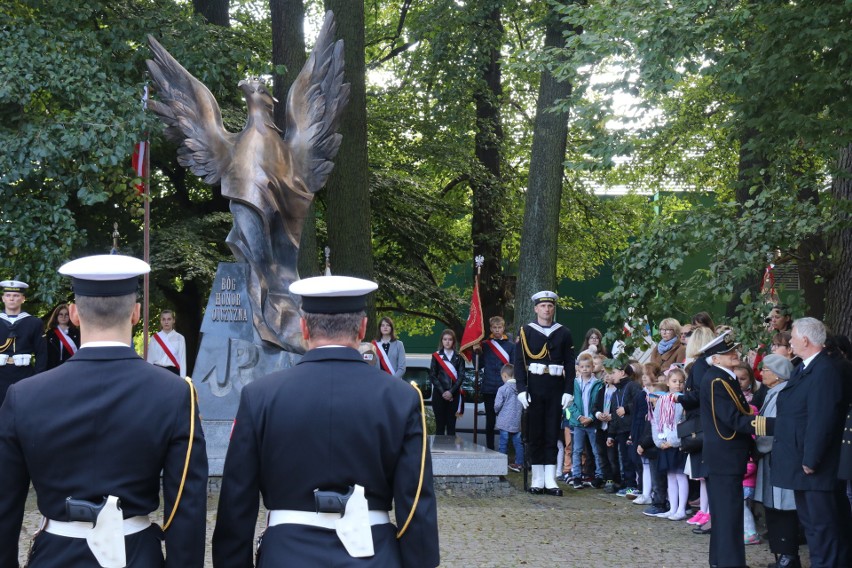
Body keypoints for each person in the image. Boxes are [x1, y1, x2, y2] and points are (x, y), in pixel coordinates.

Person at [213, 275, 439, 568]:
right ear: (362, 328)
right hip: (374, 555)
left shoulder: (260, 397)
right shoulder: (401, 398)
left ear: (303, 327)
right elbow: (416, 504)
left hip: (286, 555)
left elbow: (236, 502)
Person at [0, 255, 208, 567]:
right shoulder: (175, 393)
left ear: (74, 314)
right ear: (137, 313)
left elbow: (4, 504)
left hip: (54, 554)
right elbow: (186, 506)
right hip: (137, 554)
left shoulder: (24, 395)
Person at [771, 317, 850, 568]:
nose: (790, 342)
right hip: (802, 459)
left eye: (792, 337)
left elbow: (822, 418)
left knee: (823, 528)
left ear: (805, 340)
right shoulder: (806, 367)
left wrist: (811, 458)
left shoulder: (825, 370)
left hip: (815, 464)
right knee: (814, 526)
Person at [695, 330, 773, 568]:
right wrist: (771, 425)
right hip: (726, 454)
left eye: (733, 350)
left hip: (725, 454)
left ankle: (722, 559)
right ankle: (731, 562)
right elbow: (733, 419)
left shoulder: (723, 377)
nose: (734, 354)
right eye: (727, 352)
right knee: (728, 512)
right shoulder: (718, 379)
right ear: (715, 358)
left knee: (724, 511)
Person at [514, 290, 574, 496]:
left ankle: (551, 478)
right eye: (543, 306)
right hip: (535, 386)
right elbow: (520, 363)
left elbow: (570, 364)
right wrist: (521, 389)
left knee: (552, 432)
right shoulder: (526, 332)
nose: (546, 309)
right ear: (536, 308)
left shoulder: (563, 332)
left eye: (550, 306)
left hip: (555, 386)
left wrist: (568, 390)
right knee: (535, 433)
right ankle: (537, 477)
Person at [754, 354, 801, 568]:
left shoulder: (781, 394)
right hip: (773, 458)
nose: (762, 373)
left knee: (781, 508)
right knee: (775, 508)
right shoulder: (773, 393)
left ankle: (788, 556)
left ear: (778, 374)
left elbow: (770, 431)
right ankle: (784, 555)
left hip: (777, 458)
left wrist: (755, 443)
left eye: (766, 369)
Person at [0, 280, 47, 406]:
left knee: (22, 409)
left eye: (16, 296)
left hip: (24, 374)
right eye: (8, 295)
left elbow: (41, 353)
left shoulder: (34, 323)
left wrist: (37, 378)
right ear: (3, 298)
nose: (11, 299)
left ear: (23, 299)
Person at [651, 367, 689, 520]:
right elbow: (656, 421)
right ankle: (672, 507)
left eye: (681, 381)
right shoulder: (662, 400)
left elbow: (683, 423)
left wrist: (673, 441)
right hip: (664, 442)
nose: (678, 384)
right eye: (674, 381)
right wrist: (659, 441)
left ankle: (682, 508)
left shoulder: (684, 401)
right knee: (670, 476)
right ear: (667, 383)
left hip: (676, 444)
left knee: (680, 476)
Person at [474, 316, 515, 450]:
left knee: (507, 420)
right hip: (489, 387)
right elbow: (478, 366)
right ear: (491, 328)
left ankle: (505, 450)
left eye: (500, 327)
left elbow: (513, 367)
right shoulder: (484, 345)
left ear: (503, 328)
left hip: (506, 388)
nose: (497, 330)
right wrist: (477, 353)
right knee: (490, 421)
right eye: (494, 328)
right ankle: (490, 448)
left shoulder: (510, 346)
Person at [568, 352, 605, 489]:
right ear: (578, 367)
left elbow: (598, 402)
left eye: (588, 366)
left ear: (592, 367)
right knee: (577, 450)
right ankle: (576, 476)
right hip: (577, 422)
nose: (585, 369)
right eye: (582, 366)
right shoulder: (574, 383)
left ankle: (599, 475)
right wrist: (579, 416)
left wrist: (590, 416)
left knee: (596, 450)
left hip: (592, 421)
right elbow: (570, 402)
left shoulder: (598, 384)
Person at [605, 360, 640, 497]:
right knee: (624, 459)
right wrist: (610, 435)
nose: (611, 376)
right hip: (620, 431)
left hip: (631, 429)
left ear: (622, 372)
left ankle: (633, 487)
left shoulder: (633, 386)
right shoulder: (615, 393)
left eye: (613, 373)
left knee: (632, 459)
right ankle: (628, 484)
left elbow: (639, 402)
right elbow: (614, 415)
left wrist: (626, 408)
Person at [429, 329, 466, 436]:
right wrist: (443, 392)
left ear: (454, 341)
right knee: (440, 426)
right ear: (442, 341)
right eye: (445, 339)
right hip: (439, 394)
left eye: (450, 339)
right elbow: (432, 375)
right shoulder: (436, 356)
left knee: (451, 426)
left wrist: (451, 392)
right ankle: (439, 452)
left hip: (454, 395)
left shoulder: (459, 357)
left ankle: (451, 451)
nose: (447, 342)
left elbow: (461, 376)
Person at [494, 363, 523, 472]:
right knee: (518, 443)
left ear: (505, 375)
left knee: (503, 443)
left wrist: (496, 411)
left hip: (504, 421)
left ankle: (501, 464)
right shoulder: (521, 389)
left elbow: (497, 405)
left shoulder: (502, 389)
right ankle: (519, 463)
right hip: (516, 421)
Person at [146, 310, 187, 376]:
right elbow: (150, 360)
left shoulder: (180, 338)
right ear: (161, 321)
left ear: (173, 321)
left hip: (173, 373)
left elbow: (182, 361)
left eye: (169, 319)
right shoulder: (155, 338)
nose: (166, 322)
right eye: (164, 319)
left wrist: (183, 379)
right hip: (157, 372)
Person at [44, 303, 80, 369]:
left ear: (70, 316)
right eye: (61, 314)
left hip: (72, 367)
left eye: (66, 315)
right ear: (56, 316)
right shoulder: (50, 334)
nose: (63, 317)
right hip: (53, 368)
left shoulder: (76, 333)